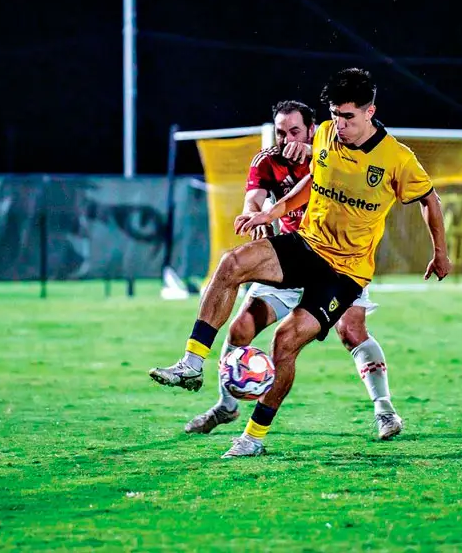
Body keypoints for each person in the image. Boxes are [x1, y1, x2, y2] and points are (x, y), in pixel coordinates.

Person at [150, 68, 451, 458]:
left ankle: (253, 437)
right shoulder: (324, 133)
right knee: (231, 263)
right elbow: (313, 180)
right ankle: (192, 361)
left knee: (286, 341)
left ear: (370, 111)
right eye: (335, 114)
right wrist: (270, 213)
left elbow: (430, 200)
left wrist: (440, 253)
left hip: (345, 272)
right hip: (307, 245)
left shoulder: (397, 159)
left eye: (348, 117)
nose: (339, 124)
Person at [169, 99, 404, 440]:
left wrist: (311, 151)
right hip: (289, 259)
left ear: (312, 130)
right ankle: (227, 404)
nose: (286, 138)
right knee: (241, 328)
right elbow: (253, 197)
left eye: (295, 131)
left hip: (339, 263)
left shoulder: (337, 153)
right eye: (281, 132)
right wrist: (257, 215)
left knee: (352, 331)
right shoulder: (267, 161)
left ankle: (384, 410)